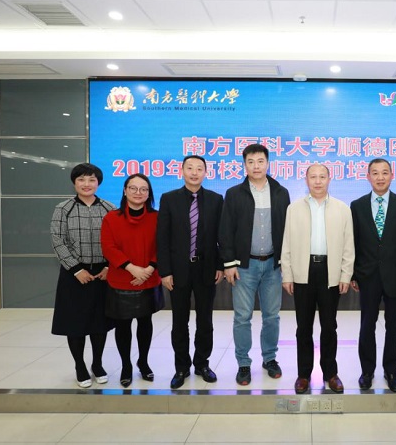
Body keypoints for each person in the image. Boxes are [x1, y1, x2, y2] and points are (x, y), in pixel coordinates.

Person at [219, 144, 290, 386]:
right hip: (244, 266)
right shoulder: (234, 193)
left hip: (272, 265)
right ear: (244, 165)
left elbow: (287, 230)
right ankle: (243, 363)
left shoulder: (281, 192)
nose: (256, 166)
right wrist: (229, 263)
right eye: (251, 162)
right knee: (242, 317)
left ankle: (270, 358)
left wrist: (285, 262)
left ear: (268, 163)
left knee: (272, 316)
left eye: (260, 161)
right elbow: (225, 231)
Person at [281, 163, 354, 394]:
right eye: (313, 177)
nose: (318, 181)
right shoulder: (294, 209)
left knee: (329, 326)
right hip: (303, 271)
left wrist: (345, 274)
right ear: (306, 180)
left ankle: (330, 373)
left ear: (329, 179)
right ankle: (303, 375)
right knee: (303, 327)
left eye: (322, 176)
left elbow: (348, 245)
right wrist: (287, 274)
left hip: (330, 272)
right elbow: (286, 244)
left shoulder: (342, 209)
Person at [350, 158, 396, 393]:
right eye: (375, 173)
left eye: (385, 173)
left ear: (392, 175)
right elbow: (353, 242)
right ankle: (367, 371)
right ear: (368, 176)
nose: (380, 177)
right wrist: (353, 274)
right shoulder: (357, 205)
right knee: (367, 325)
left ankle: (391, 371)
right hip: (367, 275)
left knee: (394, 326)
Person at [157, 155, 224, 389]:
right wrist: (165, 271)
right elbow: (162, 238)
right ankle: (181, 367)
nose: (194, 172)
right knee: (179, 321)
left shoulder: (216, 199)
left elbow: (221, 237)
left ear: (206, 172)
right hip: (178, 271)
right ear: (182, 171)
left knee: (205, 321)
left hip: (206, 269)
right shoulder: (169, 199)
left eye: (199, 169)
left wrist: (220, 265)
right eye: (190, 168)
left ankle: (202, 364)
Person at [50, 163, 115, 388]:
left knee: (99, 323)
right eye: (81, 180)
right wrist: (76, 269)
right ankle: (80, 366)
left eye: (91, 180)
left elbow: (116, 242)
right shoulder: (63, 209)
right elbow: (57, 241)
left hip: (102, 274)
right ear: (74, 182)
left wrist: (109, 267)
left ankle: (97, 363)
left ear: (98, 183)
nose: (86, 184)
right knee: (75, 323)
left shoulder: (109, 208)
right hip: (74, 274)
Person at [101, 173, 162, 388]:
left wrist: (149, 269)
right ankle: (126, 365)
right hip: (121, 279)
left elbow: (162, 245)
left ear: (149, 193)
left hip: (149, 277)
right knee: (123, 326)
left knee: (145, 324)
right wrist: (131, 268)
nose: (138, 193)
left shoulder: (157, 217)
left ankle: (143, 362)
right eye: (133, 188)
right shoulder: (111, 218)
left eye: (144, 189)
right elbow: (108, 247)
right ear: (125, 191)